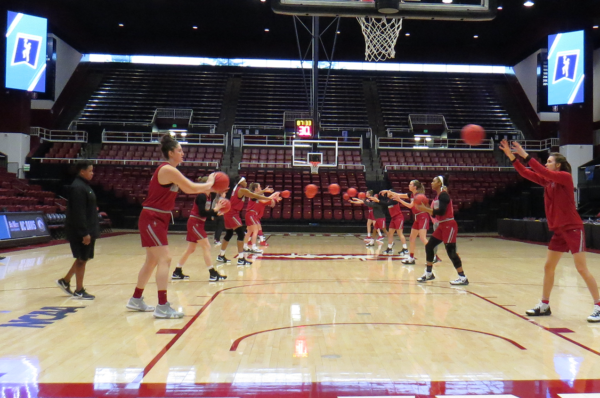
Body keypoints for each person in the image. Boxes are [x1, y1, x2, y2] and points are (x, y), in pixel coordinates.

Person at [500, 140, 600, 322]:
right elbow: (525, 172)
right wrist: (511, 156)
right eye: (546, 161)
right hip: (559, 231)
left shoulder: (564, 177)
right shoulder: (548, 182)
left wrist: (524, 154)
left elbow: (542, 171)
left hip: (573, 228)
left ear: (558, 165)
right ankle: (544, 304)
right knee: (548, 267)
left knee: (581, 268)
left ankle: (598, 306)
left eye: (549, 161)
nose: (546, 164)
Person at [126, 135, 215, 319]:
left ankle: (136, 299)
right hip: (152, 217)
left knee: (151, 261)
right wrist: (211, 183)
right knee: (165, 259)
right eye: (180, 150)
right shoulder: (168, 169)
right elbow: (191, 186)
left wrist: (208, 186)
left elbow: (189, 190)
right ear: (170, 152)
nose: (183, 153)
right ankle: (162, 305)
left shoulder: (171, 170)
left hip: (159, 218)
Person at [56, 160, 100, 300]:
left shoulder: (84, 186)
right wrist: (84, 233)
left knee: (83, 258)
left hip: (87, 229)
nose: (92, 173)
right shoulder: (78, 188)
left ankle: (65, 280)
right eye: (90, 171)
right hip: (80, 231)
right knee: (81, 259)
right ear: (82, 171)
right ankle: (79, 290)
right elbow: (78, 213)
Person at [415, 175, 469, 285]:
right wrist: (428, 210)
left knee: (451, 251)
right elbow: (437, 213)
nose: (431, 183)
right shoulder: (438, 196)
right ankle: (429, 273)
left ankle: (463, 277)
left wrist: (425, 209)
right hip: (442, 225)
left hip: (449, 224)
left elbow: (441, 212)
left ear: (440, 183)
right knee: (429, 246)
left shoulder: (444, 195)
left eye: (434, 181)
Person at [174, 177, 227, 281]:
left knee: (190, 249)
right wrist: (215, 209)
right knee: (206, 246)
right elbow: (203, 212)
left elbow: (207, 213)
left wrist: (217, 212)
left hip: (198, 223)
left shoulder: (208, 196)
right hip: (195, 222)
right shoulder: (202, 196)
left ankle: (177, 271)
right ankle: (212, 273)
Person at [217, 176, 274, 266]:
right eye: (245, 181)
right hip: (232, 214)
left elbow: (252, 194)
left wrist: (263, 191)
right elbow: (254, 195)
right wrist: (269, 198)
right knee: (240, 234)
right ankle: (241, 258)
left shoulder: (239, 190)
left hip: (230, 213)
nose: (246, 183)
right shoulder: (241, 189)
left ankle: (221, 255)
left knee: (229, 234)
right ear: (241, 182)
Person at [392, 180, 430, 265]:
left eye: (410, 184)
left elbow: (410, 206)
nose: (408, 185)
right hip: (417, 217)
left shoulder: (419, 196)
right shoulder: (412, 194)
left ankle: (433, 256)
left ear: (415, 187)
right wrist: (387, 192)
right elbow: (398, 195)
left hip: (423, 216)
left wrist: (399, 200)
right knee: (412, 238)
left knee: (422, 238)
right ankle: (411, 258)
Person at [244, 183, 280, 254]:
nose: (260, 188)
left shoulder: (258, 195)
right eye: (259, 187)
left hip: (252, 214)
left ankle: (245, 246)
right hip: (251, 214)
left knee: (250, 231)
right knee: (255, 230)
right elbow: (264, 200)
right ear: (256, 188)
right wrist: (274, 194)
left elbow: (266, 200)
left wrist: (274, 198)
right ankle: (254, 247)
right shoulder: (253, 195)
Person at [378, 190, 409, 256]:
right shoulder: (389, 200)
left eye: (388, 192)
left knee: (399, 233)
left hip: (399, 217)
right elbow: (385, 203)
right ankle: (389, 248)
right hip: (393, 218)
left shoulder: (395, 199)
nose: (387, 193)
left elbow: (387, 204)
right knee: (390, 233)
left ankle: (405, 248)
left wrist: (378, 201)